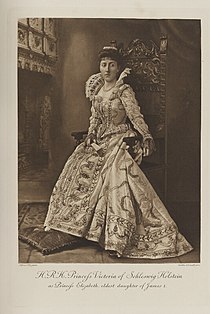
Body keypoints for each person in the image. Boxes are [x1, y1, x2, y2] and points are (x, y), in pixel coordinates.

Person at [44, 43, 193, 259]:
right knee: (77, 163)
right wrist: (92, 134)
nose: (106, 69)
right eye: (103, 64)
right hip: (101, 138)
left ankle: (115, 235)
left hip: (120, 138)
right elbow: (94, 118)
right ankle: (72, 224)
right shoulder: (96, 90)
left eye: (111, 65)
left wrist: (146, 135)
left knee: (111, 170)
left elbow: (135, 115)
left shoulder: (124, 90)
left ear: (118, 68)